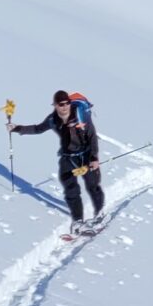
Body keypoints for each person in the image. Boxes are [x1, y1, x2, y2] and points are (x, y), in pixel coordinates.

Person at [14, 89, 105, 232]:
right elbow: (38, 129)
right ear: (55, 105)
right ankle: (78, 220)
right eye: (61, 104)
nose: (65, 107)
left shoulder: (81, 116)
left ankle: (99, 213)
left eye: (67, 103)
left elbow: (92, 136)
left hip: (86, 155)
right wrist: (17, 128)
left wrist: (94, 158)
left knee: (92, 185)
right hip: (67, 157)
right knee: (70, 189)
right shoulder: (52, 119)